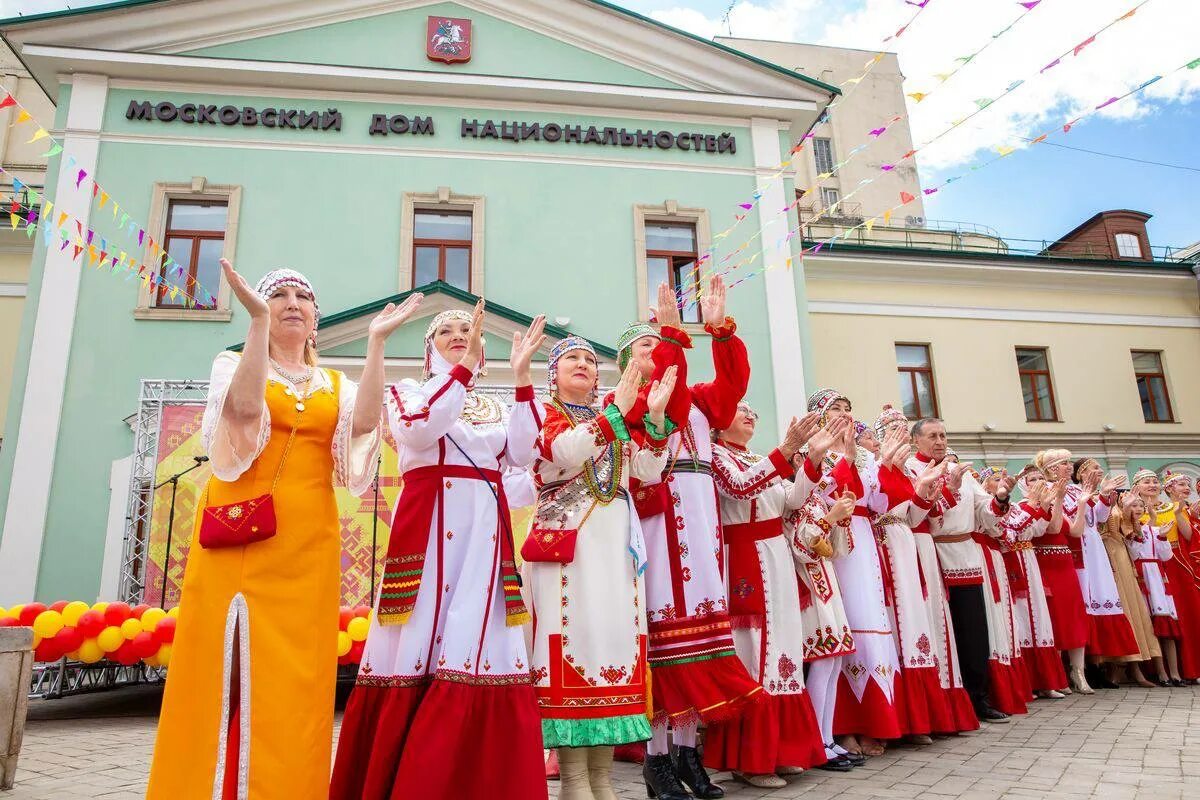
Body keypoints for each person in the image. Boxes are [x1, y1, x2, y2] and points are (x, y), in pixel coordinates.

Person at [148, 261, 408, 799]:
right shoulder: (233, 363)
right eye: (278, 295)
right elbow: (243, 412)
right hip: (237, 534)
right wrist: (257, 324)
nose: (292, 303)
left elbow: (364, 426)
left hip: (308, 540)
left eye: (302, 297)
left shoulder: (334, 383)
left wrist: (377, 343)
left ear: (315, 318)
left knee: (296, 678)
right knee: (220, 667)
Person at [330, 303, 550, 800]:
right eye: (445, 330)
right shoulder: (409, 391)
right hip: (429, 535)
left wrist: (521, 380)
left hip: (485, 540)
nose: (458, 334)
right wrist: (463, 371)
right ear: (429, 350)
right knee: (420, 637)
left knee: (480, 639)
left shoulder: (493, 407)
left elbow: (523, 455)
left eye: (466, 329)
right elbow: (417, 427)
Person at [617, 279, 762, 800]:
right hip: (659, 528)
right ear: (628, 362)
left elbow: (732, 388)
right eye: (645, 345)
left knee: (699, 646)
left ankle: (686, 752)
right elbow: (671, 407)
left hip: (700, 525)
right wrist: (673, 336)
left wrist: (720, 332)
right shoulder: (631, 403)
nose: (655, 349)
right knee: (667, 648)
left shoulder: (699, 400)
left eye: (657, 343)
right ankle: (656, 760)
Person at [525, 337, 676, 800]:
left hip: (615, 555)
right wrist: (617, 413)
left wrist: (654, 419)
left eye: (591, 360)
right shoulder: (541, 412)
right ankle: (574, 781)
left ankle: (602, 780)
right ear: (552, 372)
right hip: (568, 553)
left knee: (612, 647)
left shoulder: (612, 418)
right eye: (571, 357)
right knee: (574, 646)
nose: (583, 364)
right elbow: (565, 452)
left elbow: (648, 470)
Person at [703, 404, 827, 788]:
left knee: (782, 652)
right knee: (754, 651)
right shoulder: (715, 457)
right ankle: (751, 760)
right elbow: (740, 488)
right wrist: (785, 450)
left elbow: (791, 501)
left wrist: (812, 461)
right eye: (739, 409)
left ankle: (782, 750)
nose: (749, 414)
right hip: (745, 557)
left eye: (752, 410)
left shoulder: (757, 458)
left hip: (775, 556)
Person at [807, 390, 910, 757]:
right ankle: (843, 726)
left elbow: (883, 501)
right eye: (835, 408)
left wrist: (888, 464)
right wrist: (847, 459)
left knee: (871, 621)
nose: (844, 414)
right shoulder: (814, 450)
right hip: (832, 542)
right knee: (843, 626)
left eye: (848, 408)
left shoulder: (865, 456)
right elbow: (819, 492)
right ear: (819, 415)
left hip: (865, 540)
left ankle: (876, 721)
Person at [858, 417, 965, 740]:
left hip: (906, 544)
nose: (897, 438)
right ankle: (899, 720)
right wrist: (884, 464)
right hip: (883, 544)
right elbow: (872, 507)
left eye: (901, 432)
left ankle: (922, 719)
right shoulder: (872, 468)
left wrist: (924, 492)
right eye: (891, 433)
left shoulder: (906, 472)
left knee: (915, 624)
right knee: (896, 621)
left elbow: (914, 516)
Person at [907, 419, 1012, 724]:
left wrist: (1000, 498)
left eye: (943, 435)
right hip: (931, 553)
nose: (940, 441)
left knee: (974, 627)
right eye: (932, 436)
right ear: (916, 441)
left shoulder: (960, 470)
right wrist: (947, 489)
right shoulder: (912, 469)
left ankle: (978, 697)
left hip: (965, 555)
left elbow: (984, 511)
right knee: (941, 628)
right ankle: (947, 700)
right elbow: (919, 512)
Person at [785, 416, 862, 772]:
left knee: (834, 660)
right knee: (821, 659)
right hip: (807, 585)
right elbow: (801, 546)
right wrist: (830, 518)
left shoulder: (816, 499)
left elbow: (839, 550)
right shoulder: (793, 496)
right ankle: (817, 740)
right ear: (800, 460)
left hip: (826, 583)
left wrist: (840, 519)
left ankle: (827, 737)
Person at [1068, 458, 1140, 682]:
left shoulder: (1089, 492)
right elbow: (1073, 515)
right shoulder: (1070, 491)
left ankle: (1100, 660)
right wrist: (1094, 496)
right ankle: (1085, 664)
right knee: (1087, 596)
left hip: (1094, 545)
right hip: (1080, 544)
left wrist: (1105, 496)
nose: (1100, 470)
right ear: (1081, 473)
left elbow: (1098, 518)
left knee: (1101, 595)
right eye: (1095, 468)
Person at [1002, 469, 1069, 699]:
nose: (1039, 482)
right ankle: (1029, 682)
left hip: (1029, 559)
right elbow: (1014, 532)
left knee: (1038, 617)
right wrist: (1035, 505)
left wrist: (1048, 504)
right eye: (1033, 480)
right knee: (1021, 617)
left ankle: (1046, 681)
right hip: (1013, 561)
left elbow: (1039, 531)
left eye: (1041, 479)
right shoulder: (1015, 507)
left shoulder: (1032, 506)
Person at [1135, 470, 1200, 683]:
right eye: (1147, 482)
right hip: (1149, 566)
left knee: (1185, 614)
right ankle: (1161, 670)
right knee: (1158, 618)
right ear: (1137, 486)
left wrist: (1179, 512)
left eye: (1155, 481)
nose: (1152, 485)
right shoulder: (1135, 510)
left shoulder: (1175, 508)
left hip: (1176, 564)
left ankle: (1190, 668)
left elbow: (1189, 536)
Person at [977, 467, 1031, 716]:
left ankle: (1010, 690)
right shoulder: (980, 503)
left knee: (1004, 619)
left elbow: (1007, 534)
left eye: (1002, 479)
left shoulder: (1004, 507)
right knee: (992, 617)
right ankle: (994, 690)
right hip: (982, 555)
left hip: (995, 557)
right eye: (995, 479)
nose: (1001, 483)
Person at [1101, 492, 1163, 687]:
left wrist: (1129, 509)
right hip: (1103, 553)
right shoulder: (1102, 504)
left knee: (1131, 608)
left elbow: (1134, 536)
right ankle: (1114, 666)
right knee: (1116, 608)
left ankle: (1133, 665)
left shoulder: (1120, 510)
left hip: (1120, 555)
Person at [1122, 491, 1181, 685]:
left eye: (1141, 505)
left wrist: (1162, 537)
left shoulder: (1155, 530)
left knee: (1167, 627)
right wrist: (1137, 536)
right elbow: (1134, 554)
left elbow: (1166, 556)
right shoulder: (1127, 531)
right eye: (1134, 505)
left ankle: (1175, 673)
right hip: (1141, 578)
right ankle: (1160, 672)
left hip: (1158, 579)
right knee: (1149, 627)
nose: (1138, 509)